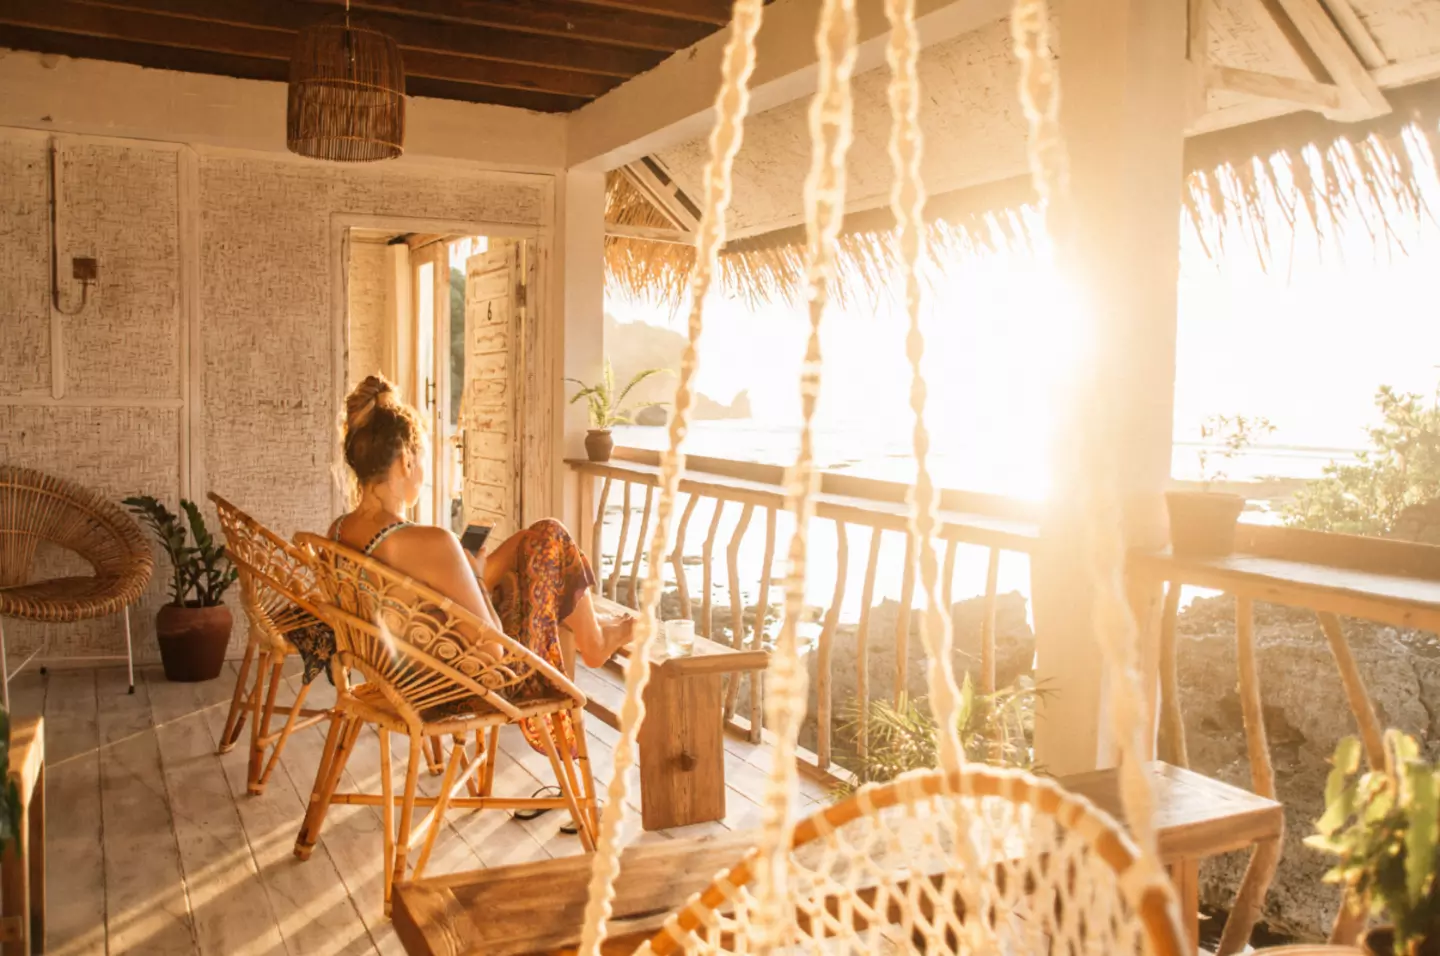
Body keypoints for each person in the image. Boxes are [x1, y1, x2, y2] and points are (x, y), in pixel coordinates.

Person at [297, 374, 629, 756]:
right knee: (549, 542)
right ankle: (595, 640)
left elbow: (415, 600)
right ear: (406, 460)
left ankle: (595, 633)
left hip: (400, 666)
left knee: (533, 539)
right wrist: (474, 575)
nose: (423, 471)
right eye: (422, 459)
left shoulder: (338, 532)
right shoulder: (432, 543)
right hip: (457, 683)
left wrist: (471, 571)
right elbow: (493, 654)